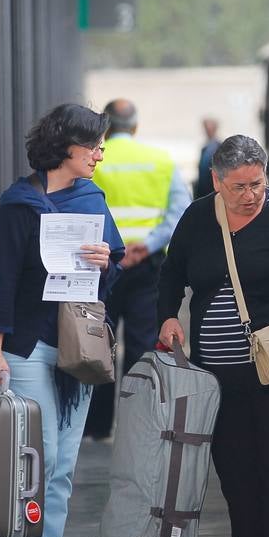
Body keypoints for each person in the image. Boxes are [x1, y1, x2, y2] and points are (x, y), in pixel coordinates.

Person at [157, 134, 269, 537]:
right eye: (239, 187)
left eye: (257, 185)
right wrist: (167, 316)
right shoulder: (198, 218)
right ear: (216, 181)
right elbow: (172, 274)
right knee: (234, 464)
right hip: (216, 372)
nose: (250, 196)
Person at [0, 103, 123, 537]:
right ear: (65, 147)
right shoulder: (20, 203)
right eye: (93, 146)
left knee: (62, 464)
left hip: (76, 348)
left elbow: (116, 267)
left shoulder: (92, 198)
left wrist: (106, 262)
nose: (99, 154)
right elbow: (2, 282)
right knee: (31, 460)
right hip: (26, 345)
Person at [84, 98, 189, 441]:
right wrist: (148, 245)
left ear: (106, 128)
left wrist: (116, 250)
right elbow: (179, 212)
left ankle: (98, 426)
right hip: (147, 266)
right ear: (136, 126)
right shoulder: (160, 161)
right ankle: (137, 422)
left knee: (99, 344)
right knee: (143, 343)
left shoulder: (92, 161)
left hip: (102, 266)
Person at [193, 117, 221, 198]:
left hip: (213, 190)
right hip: (202, 190)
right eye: (206, 128)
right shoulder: (204, 149)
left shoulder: (221, 147)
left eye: (210, 128)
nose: (208, 131)